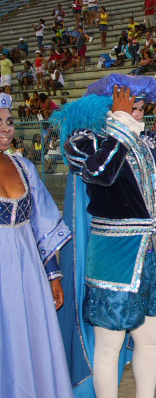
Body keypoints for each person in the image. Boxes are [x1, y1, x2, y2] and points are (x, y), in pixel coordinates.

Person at [54, 77, 156, 397]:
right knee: (109, 346)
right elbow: (101, 173)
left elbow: (154, 206)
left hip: (150, 256)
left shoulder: (148, 144)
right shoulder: (85, 140)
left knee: (151, 338)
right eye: (130, 106)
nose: (138, 112)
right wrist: (119, 124)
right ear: (110, 107)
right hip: (112, 259)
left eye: (140, 106)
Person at [0, 93, 73, 397]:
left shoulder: (24, 167)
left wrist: (53, 276)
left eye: (9, 122)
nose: (6, 129)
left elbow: (43, 225)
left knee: (29, 336)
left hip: (28, 268)